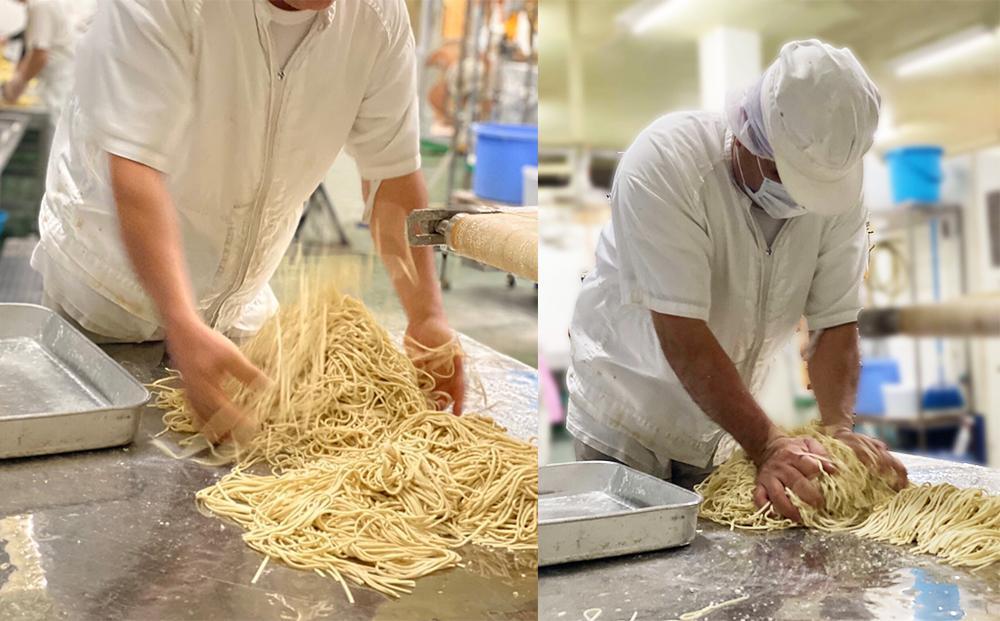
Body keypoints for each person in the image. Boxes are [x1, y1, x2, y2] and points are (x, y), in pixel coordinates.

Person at [31, 0, 465, 441]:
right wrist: (182, 322)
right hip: (108, 298)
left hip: (236, 308)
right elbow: (135, 170)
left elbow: (392, 175)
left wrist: (426, 315)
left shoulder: (376, 17)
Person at [567, 39, 908, 522]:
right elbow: (682, 333)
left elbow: (835, 325)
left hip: (722, 427)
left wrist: (837, 433)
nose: (800, 198)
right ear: (750, 135)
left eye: (814, 186)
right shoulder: (667, 163)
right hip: (628, 416)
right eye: (785, 174)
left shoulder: (837, 194)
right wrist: (768, 442)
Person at [0, 0, 75, 118]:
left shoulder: (40, 5)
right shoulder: (41, 4)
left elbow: (39, 56)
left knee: (55, 124)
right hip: (59, 79)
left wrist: (15, 87)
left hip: (57, 83)